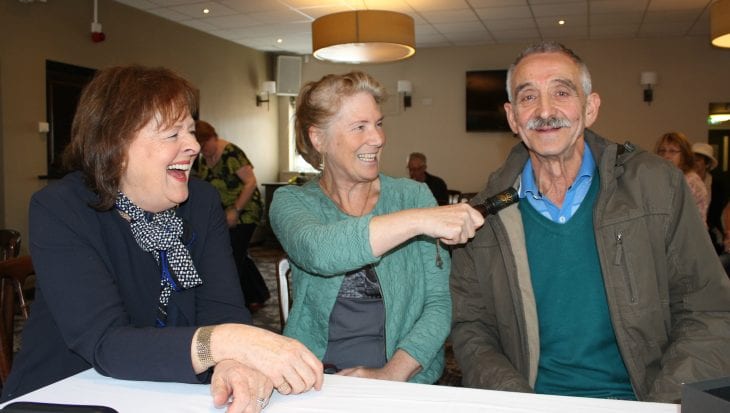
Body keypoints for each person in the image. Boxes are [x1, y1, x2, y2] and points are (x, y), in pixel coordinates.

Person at [1, 65, 323, 410]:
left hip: (169, 392)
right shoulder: (62, 208)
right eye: (173, 135)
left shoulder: (201, 201)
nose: (193, 146)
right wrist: (227, 343)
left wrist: (233, 360)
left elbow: (223, 308)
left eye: (190, 131)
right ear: (115, 144)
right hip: (65, 393)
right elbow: (105, 343)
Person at [450, 41, 730, 403]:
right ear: (512, 117)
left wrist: (663, 406)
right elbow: (472, 328)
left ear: (590, 107)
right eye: (528, 97)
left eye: (561, 92)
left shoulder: (657, 186)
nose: (545, 110)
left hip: (644, 400)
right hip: (531, 402)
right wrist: (518, 402)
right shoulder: (483, 217)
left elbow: (707, 309)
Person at [269, 71, 483, 384]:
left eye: (379, 124)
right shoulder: (292, 202)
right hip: (315, 379)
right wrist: (420, 219)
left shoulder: (412, 195)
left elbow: (438, 304)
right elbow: (320, 250)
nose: (378, 138)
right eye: (360, 127)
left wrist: (391, 375)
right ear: (319, 138)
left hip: (406, 377)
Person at [194, 120, 270, 311]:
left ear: (213, 137)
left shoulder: (231, 153)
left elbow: (251, 182)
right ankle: (257, 294)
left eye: (204, 146)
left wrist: (235, 211)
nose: (203, 151)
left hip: (245, 210)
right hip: (223, 213)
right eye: (199, 148)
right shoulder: (205, 159)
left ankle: (233, 303)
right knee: (237, 253)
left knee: (233, 255)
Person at [655, 132, 709, 225]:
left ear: (684, 155)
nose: (666, 156)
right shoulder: (661, 179)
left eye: (672, 151)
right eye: (662, 151)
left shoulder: (691, 181)